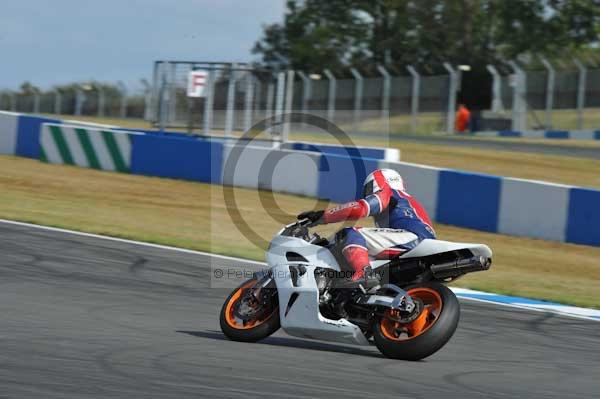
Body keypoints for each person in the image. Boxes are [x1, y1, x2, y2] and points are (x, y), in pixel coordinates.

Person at [298, 169, 436, 288]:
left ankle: (364, 273)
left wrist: (322, 216)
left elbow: (360, 209)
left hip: (413, 237)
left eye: (369, 189)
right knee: (362, 255)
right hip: (420, 242)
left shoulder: (389, 192)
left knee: (349, 233)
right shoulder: (406, 201)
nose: (367, 193)